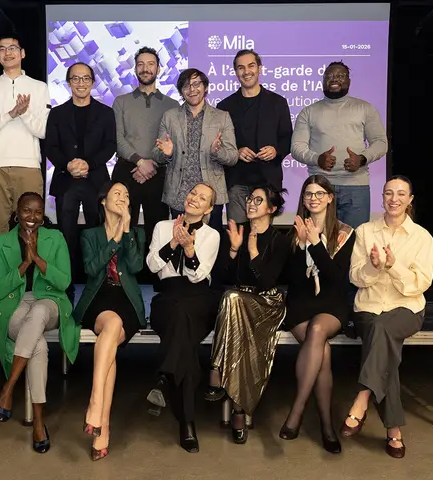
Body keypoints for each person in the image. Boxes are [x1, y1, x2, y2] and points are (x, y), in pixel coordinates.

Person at [341, 175, 433, 459]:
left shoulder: (422, 237)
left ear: (410, 200)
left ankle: (362, 398)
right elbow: (355, 278)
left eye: (401, 194)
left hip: (406, 309)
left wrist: (393, 267)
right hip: (368, 308)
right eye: (388, 193)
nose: (394, 199)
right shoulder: (366, 231)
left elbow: (420, 283)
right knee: (384, 348)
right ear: (382, 197)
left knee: (381, 335)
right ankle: (393, 429)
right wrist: (372, 266)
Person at [0, 192, 78, 454]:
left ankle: (8, 387)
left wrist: (37, 258)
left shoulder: (56, 238)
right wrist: (25, 264)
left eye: (38, 212)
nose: (32, 217)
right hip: (14, 305)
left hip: (49, 302)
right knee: (37, 345)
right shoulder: (3, 242)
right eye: (27, 211)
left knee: (38, 312)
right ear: (17, 212)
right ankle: (39, 421)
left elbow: (64, 282)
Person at [206, 185, 290, 445]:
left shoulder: (280, 240)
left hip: (267, 303)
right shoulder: (237, 232)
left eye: (258, 200)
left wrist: (253, 252)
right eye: (250, 199)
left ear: (271, 209)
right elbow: (220, 278)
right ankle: (239, 412)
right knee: (233, 305)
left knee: (232, 300)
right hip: (238, 303)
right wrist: (233, 250)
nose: (251, 204)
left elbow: (266, 283)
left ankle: (215, 370)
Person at [278, 175, 355, 454]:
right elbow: (293, 280)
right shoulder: (294, 230)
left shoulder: (345, 232)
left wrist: (316, 245)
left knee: (318, 331)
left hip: (331, 305)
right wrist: (300, 246)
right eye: (308, 193)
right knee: (322, 353)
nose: (313, 198)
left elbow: (337, 280)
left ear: (330, 198)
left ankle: (296, 411)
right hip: (301, 305)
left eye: (320, 193)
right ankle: (326, 427)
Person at [145, 183, 222, 453]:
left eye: (203, 198)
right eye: (192, 193)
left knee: (184, 314)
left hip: (199, 298)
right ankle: (186, 421)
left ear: (209, 208)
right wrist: (174, 243)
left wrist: (189, 250)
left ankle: (166, 378)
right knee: (185, 344)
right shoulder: (161, 227)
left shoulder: (212, 235)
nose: (194, 199)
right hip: (167, 297)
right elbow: (153, 265)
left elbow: (198, 276)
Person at [73, 181, 146, 461]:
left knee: (112, 334)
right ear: (103, 201)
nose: (123, 197)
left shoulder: (135, 232)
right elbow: (92, 269)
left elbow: (136, 266)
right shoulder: (90, 234)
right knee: (111, 326)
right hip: (98, 299)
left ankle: (97, 410)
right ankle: (101, 420)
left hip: (126, 299)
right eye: (118, 193)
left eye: (127, 195)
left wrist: (126, 231)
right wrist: (114, 238)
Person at [45, 62, 117, 301]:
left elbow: (110, 146)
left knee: (95, 234)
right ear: (69, 83)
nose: (81, 83)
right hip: (67, 181)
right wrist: (68, 165)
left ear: (93, 82)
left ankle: (96, 284)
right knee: (66, 236)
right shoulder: (57, 113)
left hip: (95, 182)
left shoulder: (106, 113)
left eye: (86, 78)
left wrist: (90, 164)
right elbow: (50, 147)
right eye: (75, 79)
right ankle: (66, 284)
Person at [290, 61, 388, 229]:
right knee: (318, 243)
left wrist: (362, 159)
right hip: (320, 187)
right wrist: (317, 159)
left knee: (354, 244)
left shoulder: (365, 108)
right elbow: (296, 147)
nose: (334, 79)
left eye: (340, 76)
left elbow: (381, 142)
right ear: (323, 81)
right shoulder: (309, 111)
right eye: (329, 76)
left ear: (349, 81)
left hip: (356, 188)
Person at [112, 47, 180, 286]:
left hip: (159, 172)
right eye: (140, 64)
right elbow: (118, 140)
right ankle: (120, 277)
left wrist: (153, 162)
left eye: (150, 64)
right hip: (127, 169)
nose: (145, 68)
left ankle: (156, 278)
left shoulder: (172, 105)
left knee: (157, 227)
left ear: (158, 69)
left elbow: (171, 142)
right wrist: (140, 161)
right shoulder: (121, 102)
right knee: (122, 224)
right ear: (135, 68)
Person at [0, 33, 51, 238]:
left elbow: (44, 130)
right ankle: (0, 271)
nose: (8, 53)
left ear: (22, 53)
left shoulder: (39, 87)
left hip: (28, 166)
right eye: (2, 49)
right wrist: (10, 114)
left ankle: (27, 270)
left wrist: (24, 114)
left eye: (13, 48)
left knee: (30, 229)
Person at [153, 68, 238, 234]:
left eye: (196, 84)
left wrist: (217, 152)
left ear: (205, 87)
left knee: (209, 244)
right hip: (179, 194)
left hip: (210, 196)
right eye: (186, 86)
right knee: (177, 243)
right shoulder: (169, 117)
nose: (192, 90)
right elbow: (156, 155)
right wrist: (167, 154)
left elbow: (233, 157)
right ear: (181, 91)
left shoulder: (222, 116)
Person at [216, 50, 293, 224]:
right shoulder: (224, 106)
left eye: (251, 66)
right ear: (236, 72)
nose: (246, 71)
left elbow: (287, 138)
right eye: (241, 68)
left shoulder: (277, 102)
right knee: (237, 235)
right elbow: (220, 144)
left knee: (262, 235)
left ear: (259, 68)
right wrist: (236, 151)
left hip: (268, 181)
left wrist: (276, 150)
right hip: (237, 181)